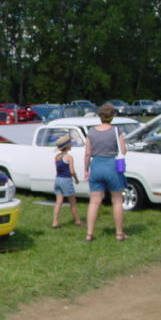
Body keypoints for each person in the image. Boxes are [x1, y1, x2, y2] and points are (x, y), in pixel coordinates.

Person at [84, 103, 128, 242]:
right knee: (117, 201)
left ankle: (89, 234)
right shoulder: (116, 131)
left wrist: (86, 170)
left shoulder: (91, 132)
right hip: (112, 166)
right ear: (112, 116)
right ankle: (119, 233)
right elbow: (123, 150)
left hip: (96, 166)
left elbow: (87, 153)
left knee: (94, 202)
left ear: (100, 116)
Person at [52, 135, 82, 229]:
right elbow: (72, 171)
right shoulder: (69, 157)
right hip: (66, 180)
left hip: (57, 180)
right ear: (67, 146)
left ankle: (55, 222)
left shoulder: (57, 157)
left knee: (58, 202)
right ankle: (77, 221)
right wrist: (76, 179)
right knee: (72, 202)